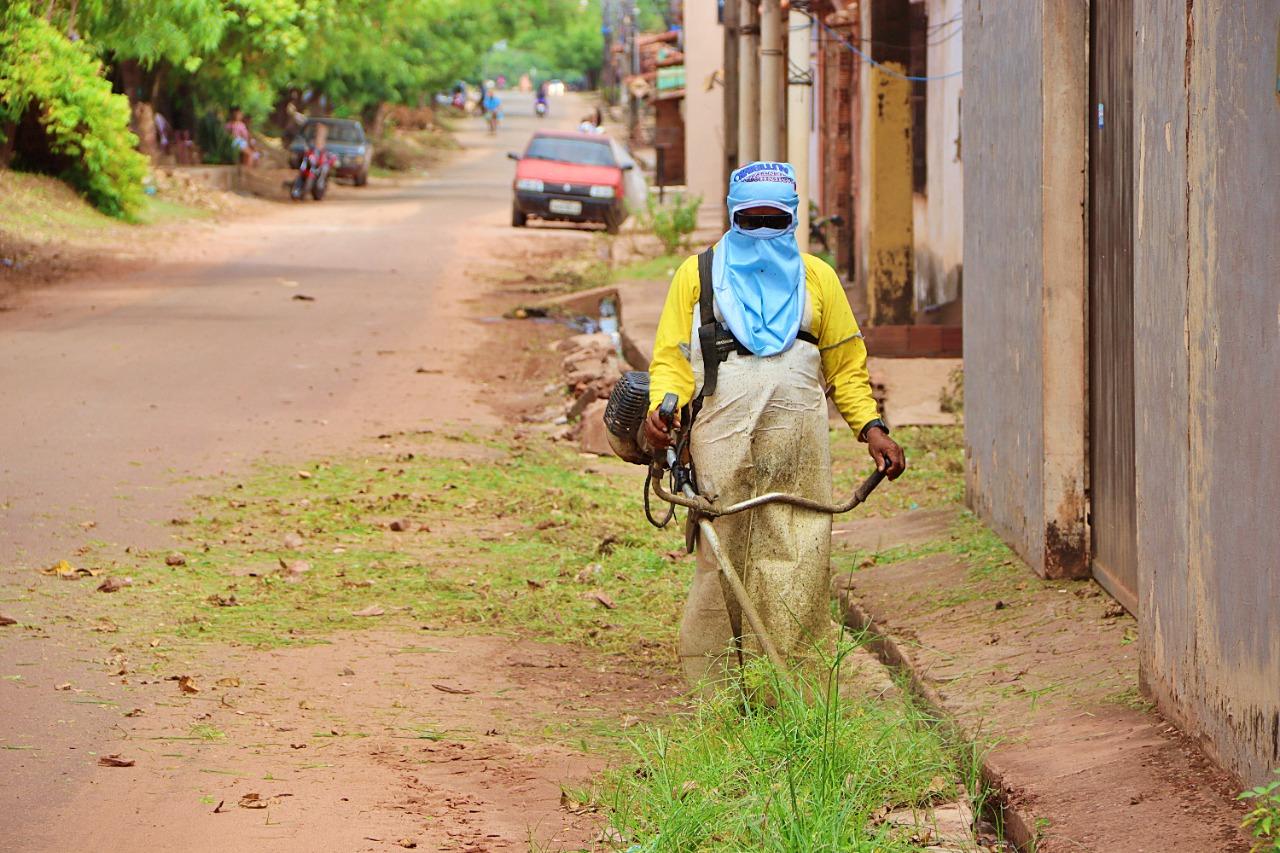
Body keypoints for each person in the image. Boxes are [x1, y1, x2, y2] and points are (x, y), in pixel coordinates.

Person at [643, 161, 906, 691]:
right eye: (751, 218)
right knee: (722, 561)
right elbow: (672, 357)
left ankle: (794, 690)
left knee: (798, 558)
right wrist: (664, 405)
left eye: (774, 219)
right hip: (721, 441)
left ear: (792, 220)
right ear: (733, 215)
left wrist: (872, 429)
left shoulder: (819, 280)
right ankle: (716, 695)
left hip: (798, 445)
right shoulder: (696, 275)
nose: (762, 229)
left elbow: (846, 366)